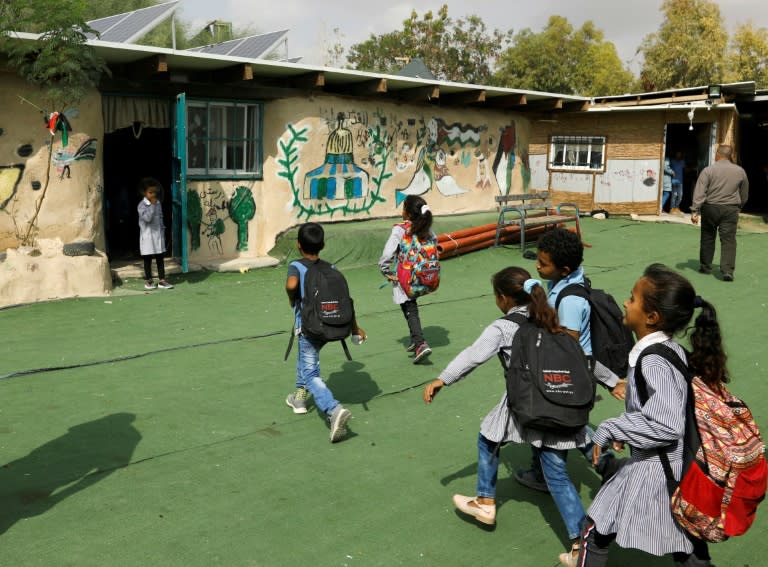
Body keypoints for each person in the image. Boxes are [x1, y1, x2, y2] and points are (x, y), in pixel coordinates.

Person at [423, 266, 589, 555]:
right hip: (558, 399)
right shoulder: (550, 318)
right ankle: (580, 542)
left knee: (492, 441)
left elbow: (473, 355)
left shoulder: (503, 327)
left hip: (527, 401)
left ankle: (488, 503)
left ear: (502, 298)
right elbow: (577, 357)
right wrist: (612, 381)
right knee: (549, 465)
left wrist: (442, 379)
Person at [562, 263, 719, 567]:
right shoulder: (670, 351)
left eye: (632, 298)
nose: (625, 302)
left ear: (652, 317)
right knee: (688, 547)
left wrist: (612, 428)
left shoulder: (653, 361)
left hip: (658, 469)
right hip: (674, 467)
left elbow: (665, 424)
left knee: (594, 533)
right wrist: (631, 430)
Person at [515, 228, 625, 494]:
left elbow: (569, 346)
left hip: (569, 374)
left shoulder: (572, 300)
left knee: (556, 425)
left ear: (563, 269)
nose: (537, 266)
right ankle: (603, 463)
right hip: (569, 372)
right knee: (565, 424)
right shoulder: (562, 283)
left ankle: (555, 474)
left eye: (543, 263)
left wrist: (610, 380)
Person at [284, 222, 366, 443]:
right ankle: (299, 399)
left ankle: (333, 409)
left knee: (311, 373)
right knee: (305, 361)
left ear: (298, 244)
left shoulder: (296, 266)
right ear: (322, 245)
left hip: (310, 327)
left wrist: (292, 298)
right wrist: (354, 328)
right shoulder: (332, 268)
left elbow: (292, 285)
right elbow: (346, 300)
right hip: (333, 325)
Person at [378, 195, 435, 364]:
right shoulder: (426, 228)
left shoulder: (400, 230)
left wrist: (384, 269)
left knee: (410, 307)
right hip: (423, 275)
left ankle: (420, 343)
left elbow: (387, 254)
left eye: (403, 207)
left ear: (408, 213)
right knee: (409, 304)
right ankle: (414, 338)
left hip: (406, 276)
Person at [690, 144, 749, 282]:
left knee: (708, 237)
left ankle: (705, 266)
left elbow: (700, 191)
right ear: (731, 155)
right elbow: (744, 193)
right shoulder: (740, 171)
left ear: (717, 154)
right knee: (728, 240)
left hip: (710, 208)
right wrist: (739, 206)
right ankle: (727, 271)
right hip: (730, 209)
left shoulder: (708, 170)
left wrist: (695, 210)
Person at [137, 177, 173, 290]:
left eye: (154, 192)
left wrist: (163, 229)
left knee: (160, 258)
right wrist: (152, 205)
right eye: (150, 192)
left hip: (158, 236)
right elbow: (147, 218)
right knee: (147, 259)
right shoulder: (141, 205)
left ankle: (162, 280)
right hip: (147, 236)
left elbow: (160, 217)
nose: (153, 195)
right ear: (144, 192)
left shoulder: (158, 204)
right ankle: (149, 281)